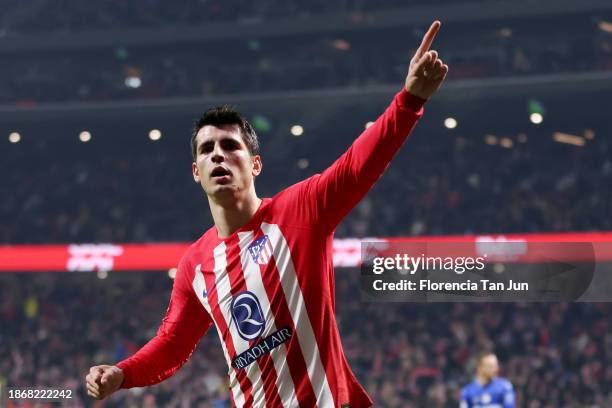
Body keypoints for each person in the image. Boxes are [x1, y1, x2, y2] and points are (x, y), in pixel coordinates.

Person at [85, 20, 448, 407]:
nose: (217, 155)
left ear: (255, 164)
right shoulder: (195, 264)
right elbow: (173, 345)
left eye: (230, 145)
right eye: (206, 150)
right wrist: (122, 373)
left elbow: (358, 164)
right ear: (196, 173)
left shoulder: (300, 209)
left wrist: (409, 101)